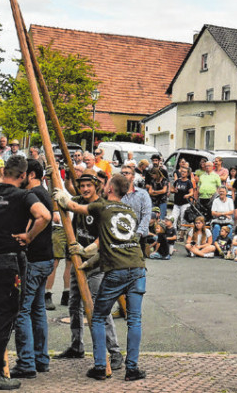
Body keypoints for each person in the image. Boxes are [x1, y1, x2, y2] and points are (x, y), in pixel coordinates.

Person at [54, 173, 150, 382]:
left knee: (98, 317)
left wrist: (61, 197)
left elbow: (74, 207)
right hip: (138, 268)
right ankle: (132, 369)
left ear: (109, 189)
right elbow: (118, 244)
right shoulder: (131, 213)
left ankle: (100, 366)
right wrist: (89, 260)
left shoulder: (102, 207)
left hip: (116, 270)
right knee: (134, 320)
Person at [0, 154, 51, 391]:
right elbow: (45, 216)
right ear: (24, 176)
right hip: (9, 262)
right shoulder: (23, 196)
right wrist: (28, 236)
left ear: (5, 171)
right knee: (5, 318)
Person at [55, 173, 123, 370]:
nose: (85, 189)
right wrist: (54, 175)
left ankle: (115, 351)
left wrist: (87, 251)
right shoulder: (79, 201)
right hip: (78, 263)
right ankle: (76, 345)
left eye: (88, 186)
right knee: (74, 305)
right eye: (82, 186)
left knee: (99, 308)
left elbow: (103, 239)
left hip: (96, 264)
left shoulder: (102, 207)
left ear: (96, 187)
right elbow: (66, 197)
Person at [11, 159, 56, 379]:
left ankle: (27, 363)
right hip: (45, 259)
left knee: (22, 311)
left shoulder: (34, 195)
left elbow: (43, 218)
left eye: (22, 174)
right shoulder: (44, 192)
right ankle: (41, 359)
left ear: (30, 175)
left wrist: (28, 237)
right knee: (37, 310)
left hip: (35, 261)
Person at [169, 162, 195, 234]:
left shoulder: (188, 182)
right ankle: (173, 232)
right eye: (182, 172)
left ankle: (181, 235)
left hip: (185, 203)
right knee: (174, 217)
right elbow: (171, 189)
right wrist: (173, 190)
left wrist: (188, 195)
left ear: (187, 173)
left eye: (184, 172)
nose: (183, 173)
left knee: (183, 219)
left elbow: (192, 192)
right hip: (176, 203)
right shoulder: (177, 181)